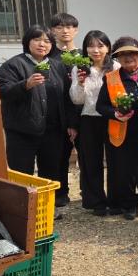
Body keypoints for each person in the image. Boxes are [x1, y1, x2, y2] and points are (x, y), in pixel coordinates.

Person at [0, 25, 76, 198]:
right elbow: (3, 92)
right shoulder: (13, 65)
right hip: (22, 130)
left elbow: (66, 97)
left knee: (50, 171)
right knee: (22, 172)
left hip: (52, 130)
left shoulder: (57, 66)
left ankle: (47, 208)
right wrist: (26, 85)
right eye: (37, 39)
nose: (42, 44)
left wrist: (71, 124)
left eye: (47, 41)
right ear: (27, 42)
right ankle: (22, 209)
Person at [96, 37, 138, 219]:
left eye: (132, 54)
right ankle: (129, 205)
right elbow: (101, 106)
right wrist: (115, 114)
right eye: (123, 55)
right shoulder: (110, 78)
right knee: (126, 171)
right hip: (123, 132)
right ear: (117, 58)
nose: (128, 58)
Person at [70, 31, 118, 215]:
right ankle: (95, 201)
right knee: (90, 161)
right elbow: (76, 99)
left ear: (108, 48)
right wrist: (80, 83)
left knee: (115, 159)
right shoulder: (79, 68)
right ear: (85, 48)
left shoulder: (115, 66)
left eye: (100, 45)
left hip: (112, 117)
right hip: (88, 118)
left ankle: (115, 199)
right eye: (91, 46)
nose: (96, 50)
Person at [48, 12, 81, 212]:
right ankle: (61, 193)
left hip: (81, 111)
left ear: (75, 30)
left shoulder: (84, 55)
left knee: (86, 156)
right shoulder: (49, 56)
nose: (65, 31)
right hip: (57, 113)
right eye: (59, 27)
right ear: (53, 31)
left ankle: (90, 194)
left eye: (69, 27)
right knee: (58, 155)